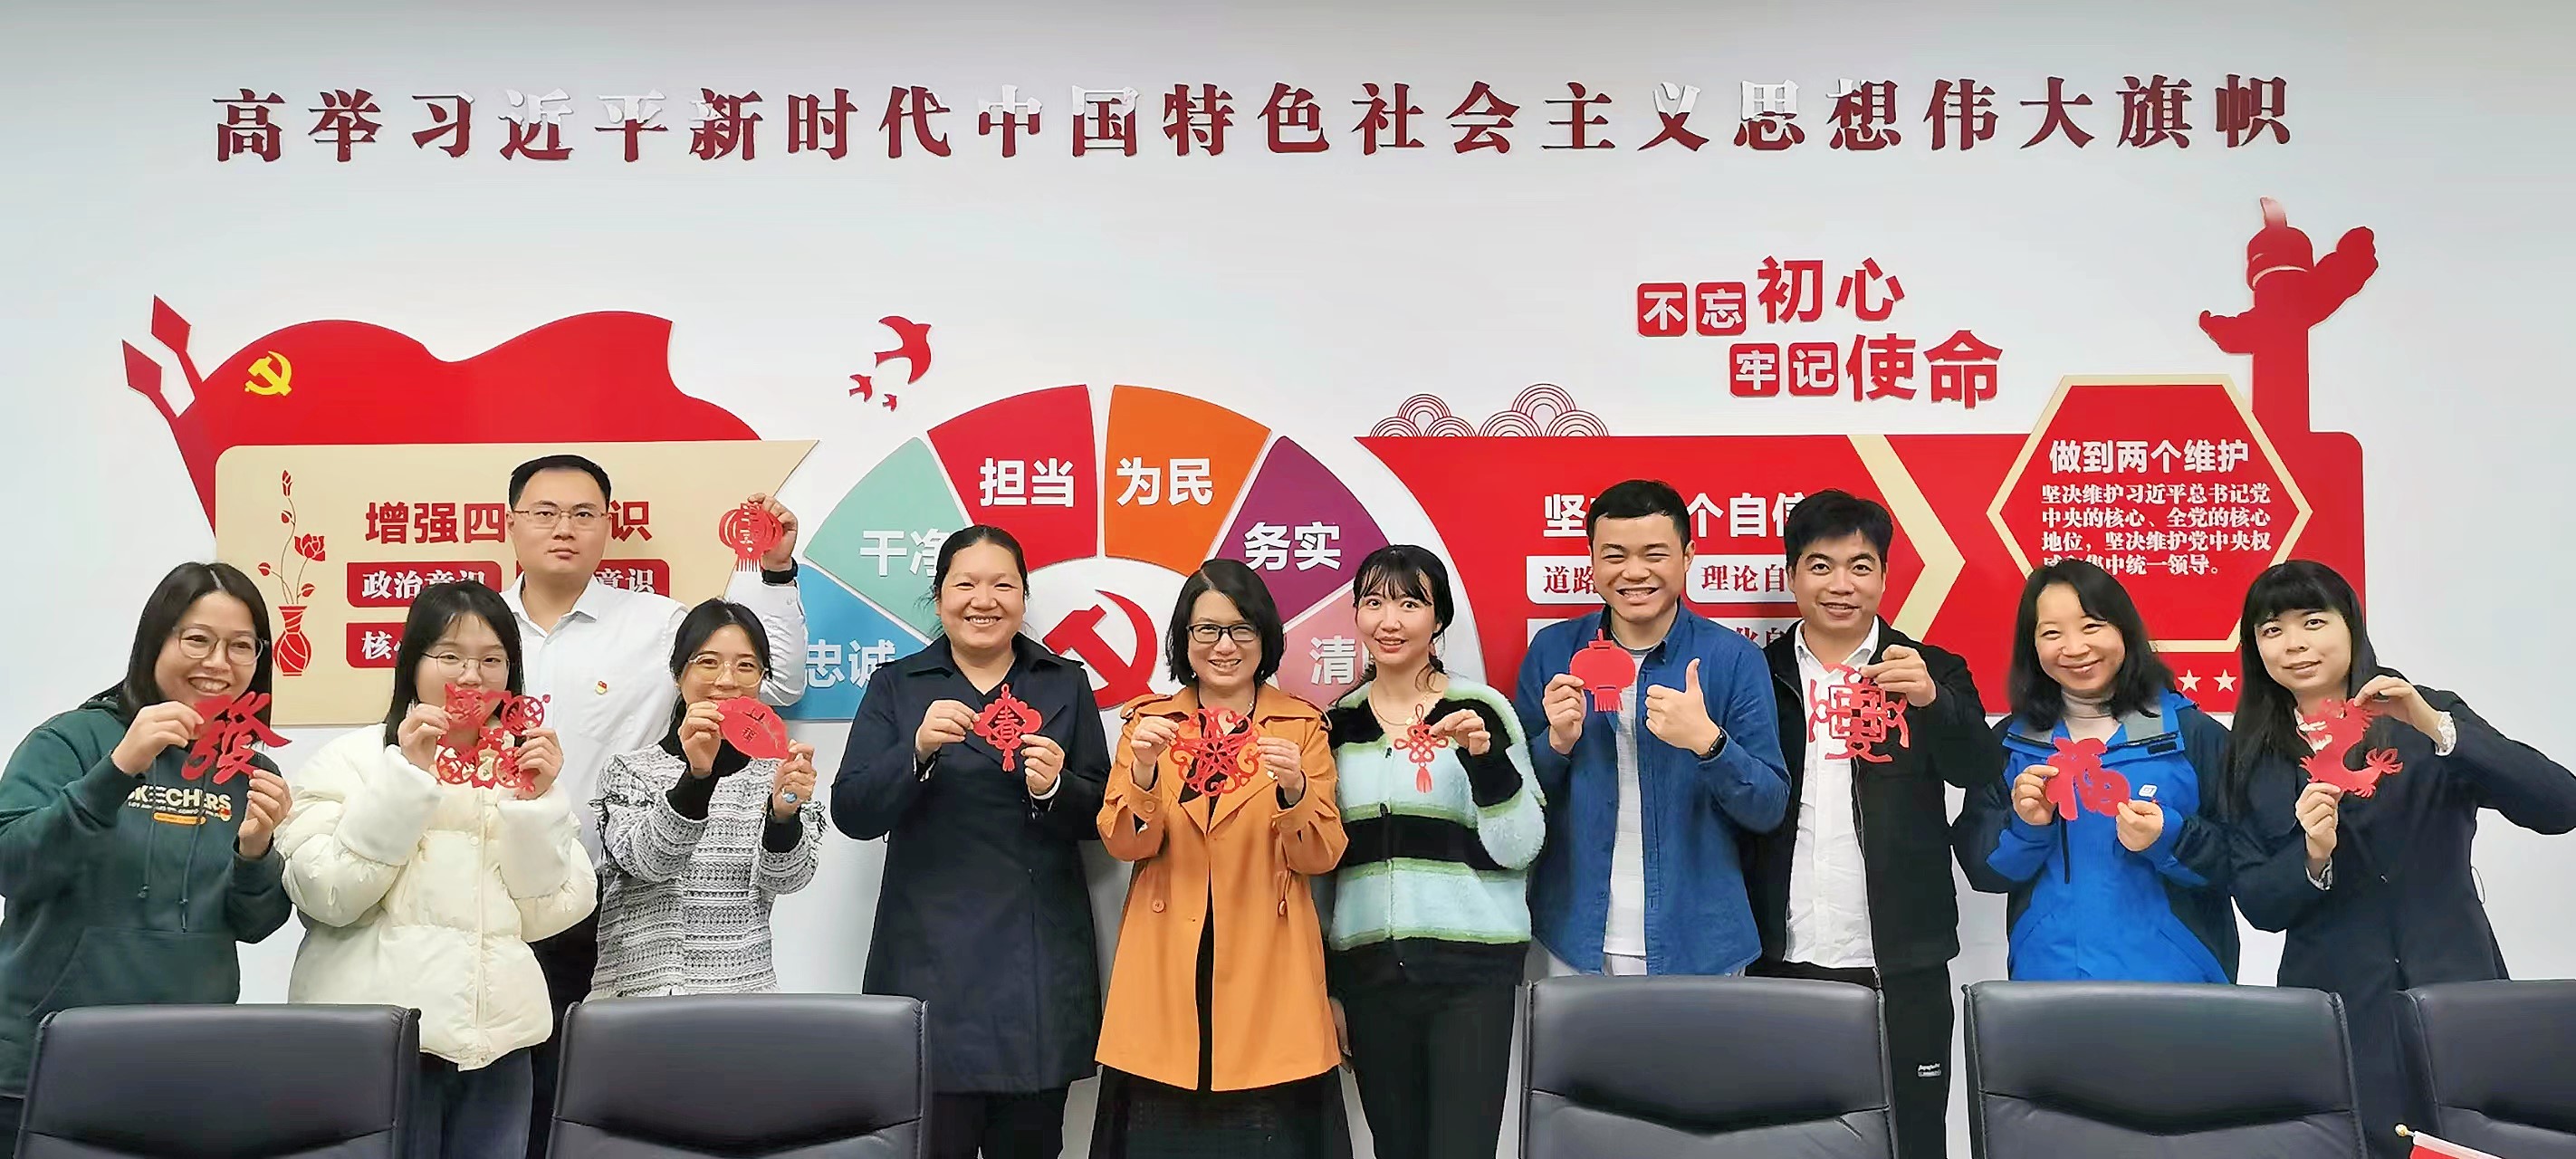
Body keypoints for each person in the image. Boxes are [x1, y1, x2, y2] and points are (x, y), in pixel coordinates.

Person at [495, 454, 809, 1158]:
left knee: (586, 1108)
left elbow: (773, 679)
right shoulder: (480, 629)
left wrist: (774, 573)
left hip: (599, 898)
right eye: (545, 513)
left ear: (609, 525)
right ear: (511, 524)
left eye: (583, 514)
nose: (564, 528)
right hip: (487, 894)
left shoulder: (654, 623)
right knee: (491, 1102)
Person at [2219, 560, 2576, 1159]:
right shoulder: (2250, 754)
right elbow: (2258, 902)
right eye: (2271, 630)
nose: (2294, 644)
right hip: (2336, 1009)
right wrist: (2312, 856)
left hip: (2454, 985)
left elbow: (2558, 805)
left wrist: (2436, 726)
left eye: (2313, 622)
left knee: (2473, 1143)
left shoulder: (2424, 715)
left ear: (2351, 626)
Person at [276, 580, 595, 1159]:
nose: (471, 677)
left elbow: (554, 912)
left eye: (492, 660)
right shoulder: (352, 761)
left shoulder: (523, 773)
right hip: (380, 1043)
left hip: (498, 1047)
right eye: (450, 656)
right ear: (413, 663)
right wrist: (407, 779)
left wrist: (536, 805)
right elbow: (327, 894)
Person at [0, 562, 295, 1156]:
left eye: (241, 646)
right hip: (45, 1060)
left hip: (187, 1065)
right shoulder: (73, 740)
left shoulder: (251, 770)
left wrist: (256, 853)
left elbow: (256, 923)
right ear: (156, 640)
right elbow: (12, 866)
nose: (218, 663)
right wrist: (116, 772)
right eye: (197, 639)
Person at [834, 526, 1109, 1159]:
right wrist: (915, 751)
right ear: (938, 598)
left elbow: (1104, 817)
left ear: (1023, 596)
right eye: (965, 584)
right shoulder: (898, 684)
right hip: (927, 959)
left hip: (1036, 963)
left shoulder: (1063, 682)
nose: (983, 600)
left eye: (1002, 585)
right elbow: (852, 812)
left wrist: (1055, 788)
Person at [1744, 491, 1997, 1159]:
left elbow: (1979, 768)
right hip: (1782, 956)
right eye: (1820, 566)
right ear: (1791, 575)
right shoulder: (1757, 675)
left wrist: (1933, 701)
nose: (1841, 585)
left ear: (1883, 577)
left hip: (1902, 959)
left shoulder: (1931, 669)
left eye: (1860, 566)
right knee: (1790, 1139)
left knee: (1914, 1138)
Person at [1093, 560, 1348, 1158]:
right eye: (1206, 630)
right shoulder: (1149, 724)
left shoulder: (1301, 727)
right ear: (1184, 639)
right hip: (1166, 960)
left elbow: (1320, 856)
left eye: (1240, 629)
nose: (1224, 646)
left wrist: (1295, 792)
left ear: (1265, 636)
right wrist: (1143, 773)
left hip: (1268, 963)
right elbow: (1125, 844)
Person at [1513, 479, 1790, 976]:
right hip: (1573, 937)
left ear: (1688, 556)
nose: (1634, 572)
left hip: (1702, 942)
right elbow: (1515, 804)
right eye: (1615, 555)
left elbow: (1768, 808)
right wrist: (1556, 744)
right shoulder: (1552, 652)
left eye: (1654, 554)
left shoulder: (1734, 659)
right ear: (1591, 561)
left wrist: (1710, 744)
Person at [1322, 545, 1543, 1159]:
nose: (1389, 621)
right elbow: (1321, 870)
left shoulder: (1481, 709)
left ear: (1438, 617)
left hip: (1470, 976)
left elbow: (1522, 846)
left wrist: (1485, 762)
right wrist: (1328, 986)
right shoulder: (1338, 724)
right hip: (1370, 979)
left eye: (1409, 604)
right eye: (1373, 603)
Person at [1953, 560, 2236, 983]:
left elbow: (2242, 860)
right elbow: (1984, 872)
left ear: (2124, 630)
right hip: (2048, 980)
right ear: (2032, 646)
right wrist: (2027, 827)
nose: (2074, 648)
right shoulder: (2011, 744)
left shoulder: (2192, 734)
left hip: (2178, 984)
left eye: (2091, 626)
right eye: (2052, 634)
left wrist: (2169, 837)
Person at [590, 600, 824, 998]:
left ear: (762, 678)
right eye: (709, 662)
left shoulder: (779, 773)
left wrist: (783, 817)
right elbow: (650, 863)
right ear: (678, 673)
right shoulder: (630, 771)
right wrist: (698, 777)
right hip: (640, 1000)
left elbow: (788, 880)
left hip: (744, 998)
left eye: (746, 666)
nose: (727, 680)